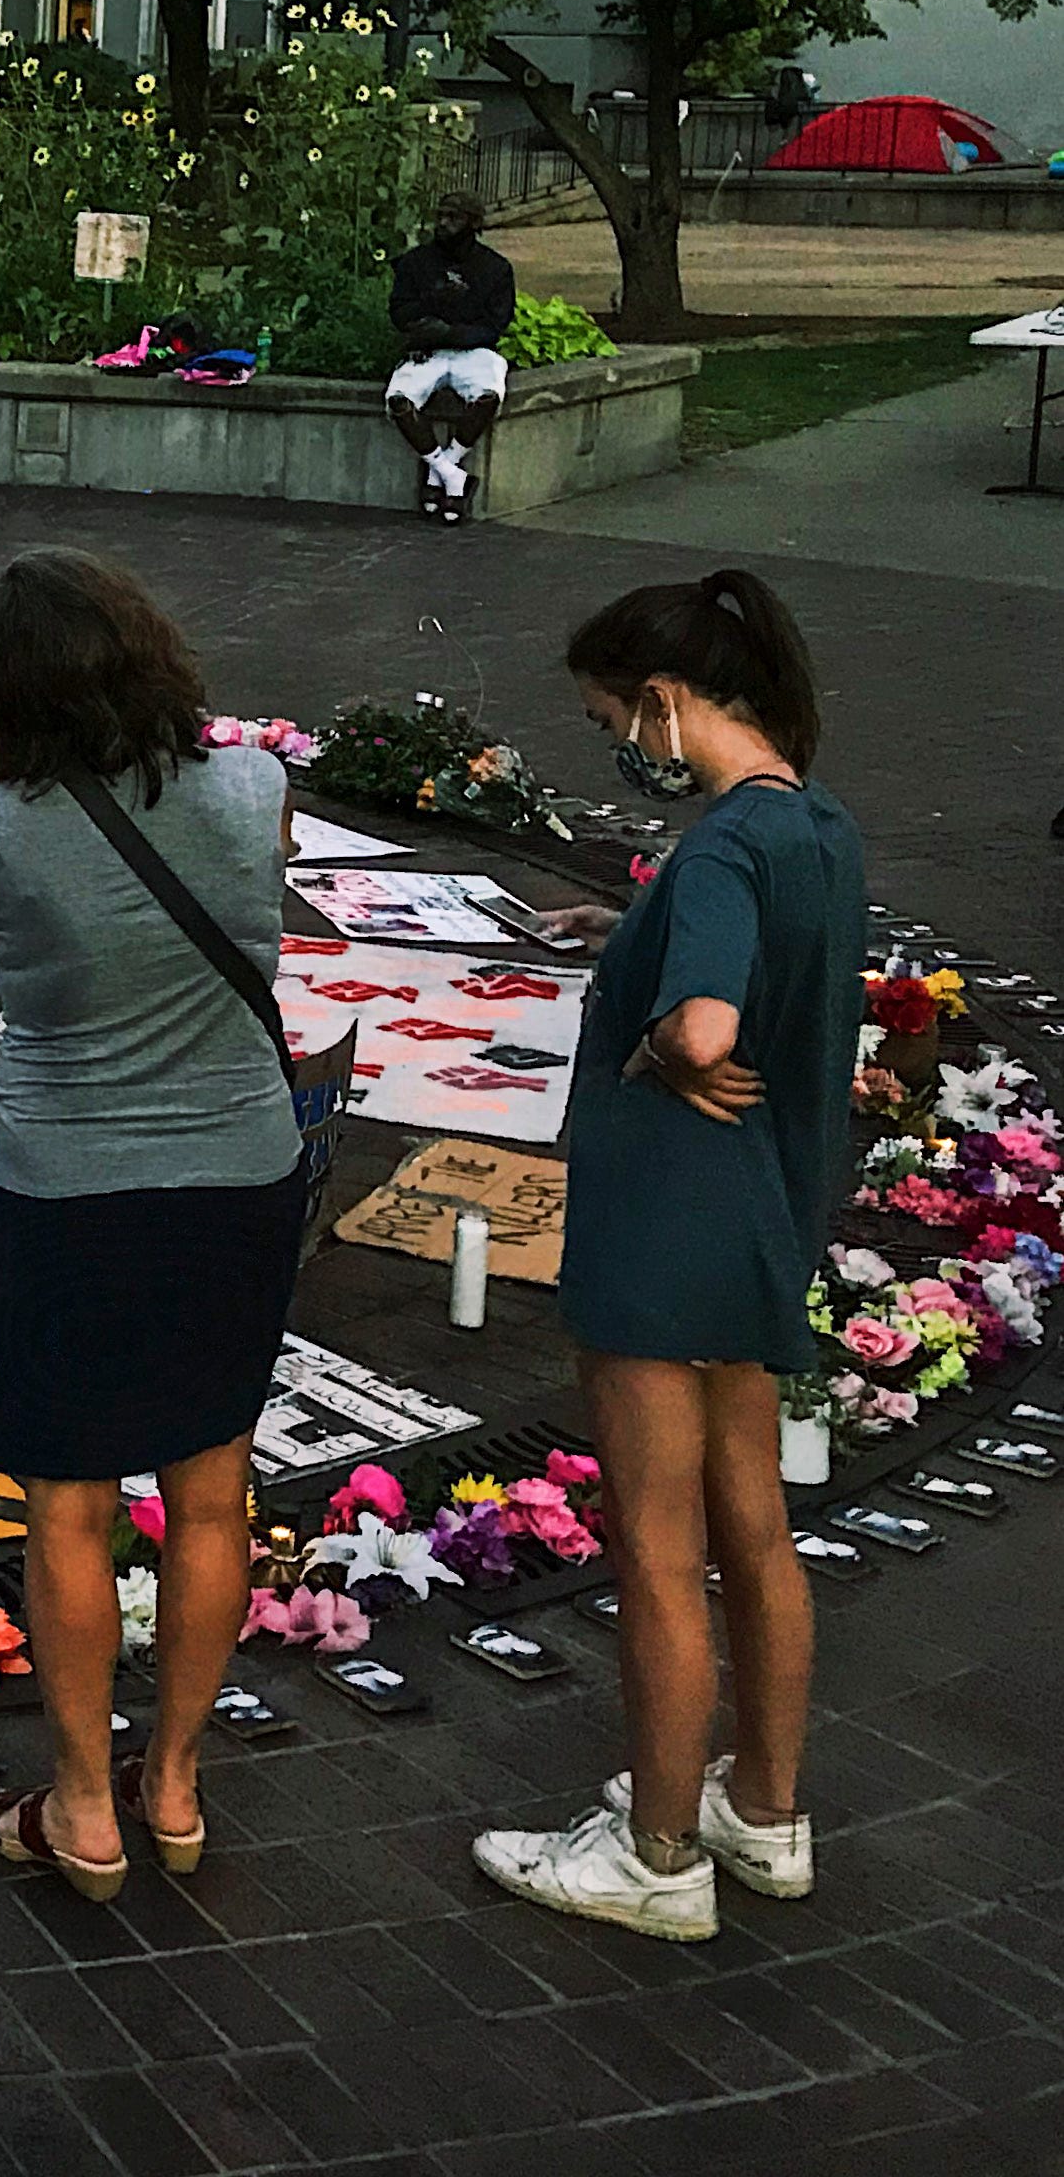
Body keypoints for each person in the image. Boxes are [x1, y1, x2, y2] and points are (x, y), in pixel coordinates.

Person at [474, 571, 862, 1944]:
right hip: (759, 1221)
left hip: (660, 1225)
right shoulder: (811, 825)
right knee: (754, 1527)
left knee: (653, 1548)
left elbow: (703, 1029)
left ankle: (652, 1854)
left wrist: (652, 1044)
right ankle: (762, 1807)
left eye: (611, 723)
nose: (620, 751)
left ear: (661, 701)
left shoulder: (715, 852)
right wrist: (622, 939)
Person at [0, 550, 301, 1899]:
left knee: (70, 1508)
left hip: (65, 1185)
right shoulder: (257, 785)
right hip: (241, 1176)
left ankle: (82, 1808)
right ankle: (178, 1785)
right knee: (212, 1494)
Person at [385, 188, 520, 524]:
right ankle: (451, 474)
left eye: (454, 218)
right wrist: (433, 306)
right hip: (426, 349)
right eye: (441, 216)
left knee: (488, 397)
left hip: (473, 350)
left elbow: (495, 324)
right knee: (399, 401)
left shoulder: (495, 268)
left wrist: (454, 333)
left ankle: (437, 476)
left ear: (473, 224)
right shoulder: (416, 262)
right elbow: (400, 312)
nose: (443, 224)